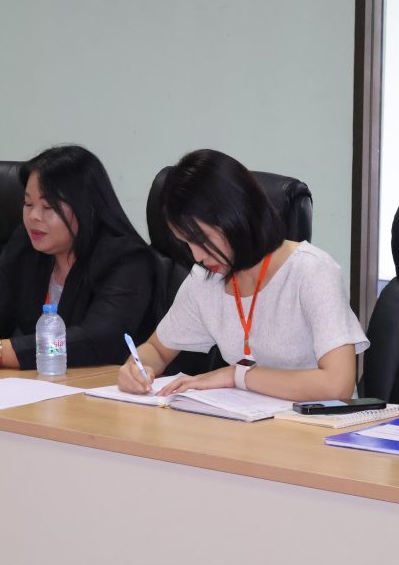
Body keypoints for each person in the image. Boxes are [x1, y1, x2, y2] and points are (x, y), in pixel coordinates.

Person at [118, 149, 368, 401]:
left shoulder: (312, 271)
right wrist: (138, 369)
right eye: (186, 243)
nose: (196, 256)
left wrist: (237, 376)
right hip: (250, 420)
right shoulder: (205, 280)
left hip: (319, 421)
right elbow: (156, 350)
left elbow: (338, 386)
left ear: (235, 216)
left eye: (201, 239)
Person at [0, 145, 158, 370]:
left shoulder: (127, 260)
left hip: (105, 386)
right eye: (28, 204)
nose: (33, 216)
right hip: (42, 385)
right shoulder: (26, 246)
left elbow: (98, 339)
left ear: (85, 207)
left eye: (47, 206)